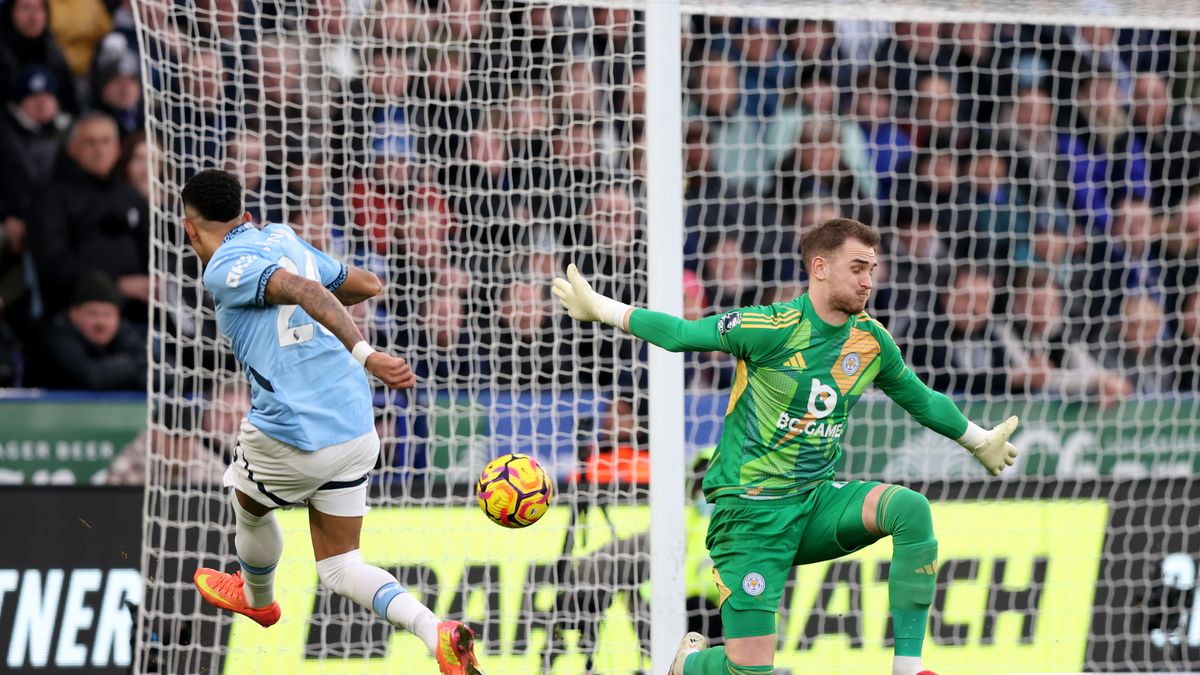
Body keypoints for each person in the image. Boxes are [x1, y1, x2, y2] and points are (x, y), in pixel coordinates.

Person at [552, 217, 1020, 675]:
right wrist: (605, 309)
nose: (868, 282)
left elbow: (921, 399)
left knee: (911, 511)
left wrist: (978, 440)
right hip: (749, 517)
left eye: (872, 270)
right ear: (820, 268)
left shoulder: (871, 341)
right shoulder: (769, 327)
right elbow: (681, 334)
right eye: (857, 268)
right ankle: (690, 665)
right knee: (750, 672)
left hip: (815, 503)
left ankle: (909, 668)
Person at [180, 170, 483, 675]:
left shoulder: (223, 267)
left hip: (293, 433)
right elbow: (365, 283)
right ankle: (437, 632)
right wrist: (325, 292)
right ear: (244, 212)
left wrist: (365, 352)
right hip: (356, 427)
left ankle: (257, 598)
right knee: (341, 566)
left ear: (191, 230)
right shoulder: (281, 237)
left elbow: (303, 290)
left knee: (248, 504)